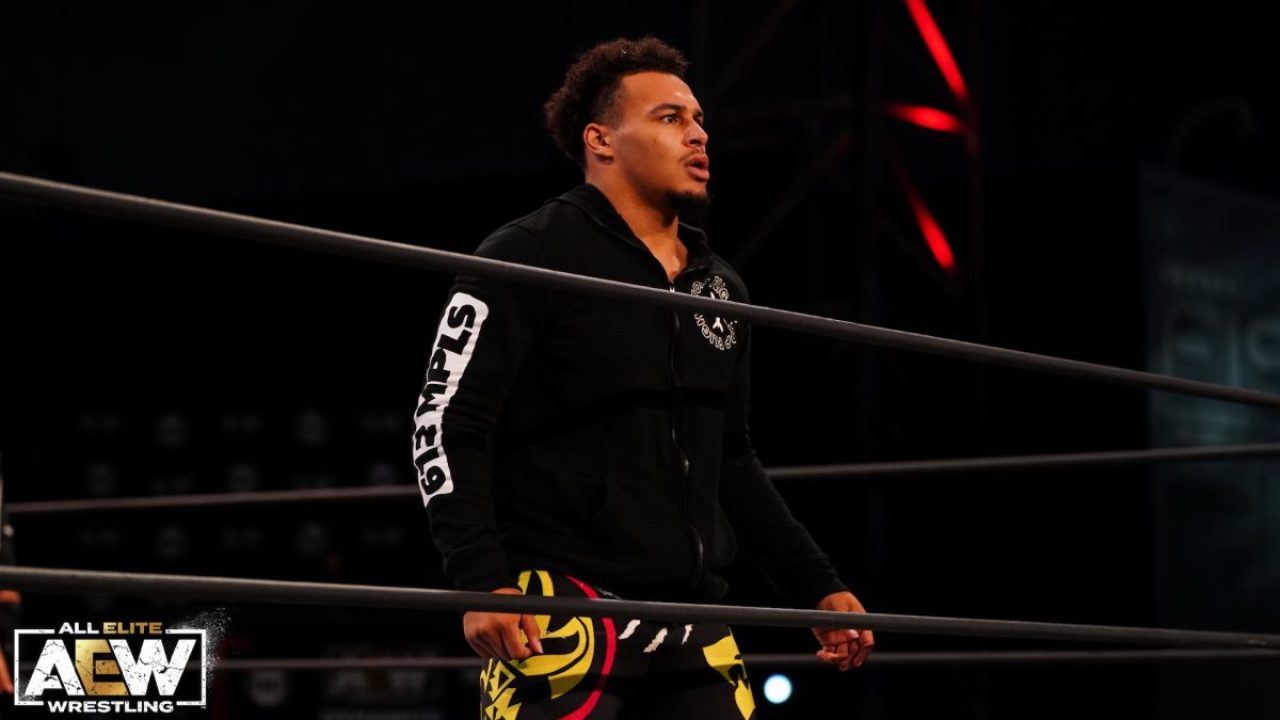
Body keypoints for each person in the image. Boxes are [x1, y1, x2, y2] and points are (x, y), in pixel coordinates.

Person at [412, 37, 873, 719]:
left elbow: (729, 457)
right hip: (562, 604)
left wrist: (817, 585)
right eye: (669, 118)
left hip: (694, 611)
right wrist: (481, 580)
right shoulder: (529, 255)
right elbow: (444, 422)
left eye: (699, 120)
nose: (698, 134)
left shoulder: (720, 286)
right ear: (601, 140)